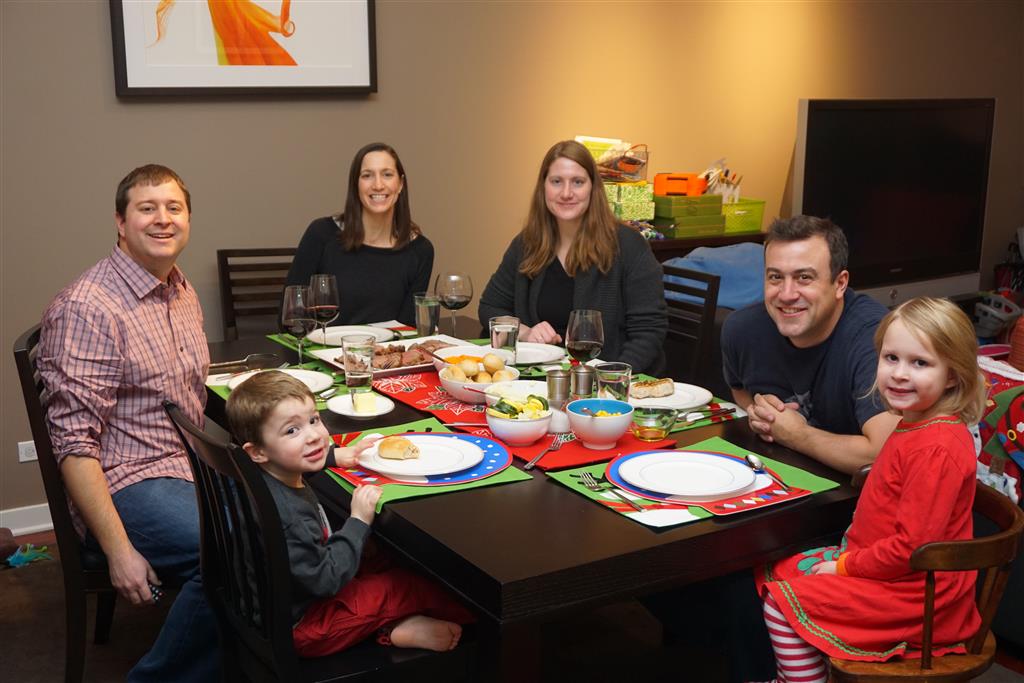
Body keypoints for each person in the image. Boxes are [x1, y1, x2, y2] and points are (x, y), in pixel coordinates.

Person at [37, 164, 219, 681]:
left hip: (186, 465)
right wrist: (118, 550)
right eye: (147, 208)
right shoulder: (88, 308)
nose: (163, 219)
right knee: (242, 550)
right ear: (120, 222)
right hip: (127, 481)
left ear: (188, 220)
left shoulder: (180, 289)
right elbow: (74, 446)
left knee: (294, 523)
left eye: (174, 208)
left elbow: (189, 397)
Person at [756, 297, 984, 682]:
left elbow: (912, 548)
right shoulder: (916, 423)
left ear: (952, 375)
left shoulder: (936, 448)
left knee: (781, 603)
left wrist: (845, 566)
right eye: (891, 358)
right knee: (779, 569)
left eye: (920, 363)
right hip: (887, 566)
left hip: (918, 593)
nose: (899, 374)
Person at [225, 371, 474, 656]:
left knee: (382, 557)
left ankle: (395, 622)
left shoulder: (262, 475)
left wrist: (333, 456)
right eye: (292, 430)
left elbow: (290, 457)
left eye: (313, 420)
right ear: (257, 452)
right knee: (403, 586)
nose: (313, 436)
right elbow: (327, 580)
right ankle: (473, 625)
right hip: (302, 626)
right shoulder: (290, 518)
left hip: (280, 598)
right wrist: (357, 521)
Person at [721, 215, 900, 475]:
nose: (786, 294)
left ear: (840, 284)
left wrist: (796, 435)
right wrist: (759, 413)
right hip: (778, 477)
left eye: (804, 277)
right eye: (775, 277)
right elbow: (739, 390)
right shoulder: (741, 330)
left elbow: (885, 454)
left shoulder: (878, 338)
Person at [477, 139, 667, 374]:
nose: (566, 193)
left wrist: (612, 378)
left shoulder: (628, 245)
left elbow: (649, 331)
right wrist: (524, 331)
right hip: (543, 379)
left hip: (613, 382)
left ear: (593, 188)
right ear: (543, 187)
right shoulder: (527, 243)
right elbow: (490, 307)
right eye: (556, 182)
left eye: (578, 182)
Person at [286, 142, 434, 326]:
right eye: (367, 175)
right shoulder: (321, 234)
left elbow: (409, 327)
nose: (378, 185)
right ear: (355, 184)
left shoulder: (421, 250)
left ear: (400, 184)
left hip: (391, 346)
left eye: (387, 174)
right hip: (324, 345)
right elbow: (291, 316)